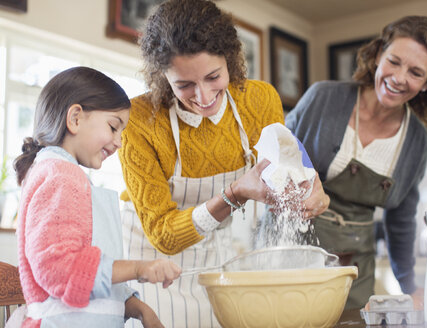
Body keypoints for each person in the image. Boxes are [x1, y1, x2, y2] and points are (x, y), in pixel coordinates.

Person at [117, 0, 330, 326]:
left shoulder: (260, 99)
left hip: (218, 256)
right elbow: (163, 235)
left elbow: (288, 165)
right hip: (152, 266)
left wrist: (310, 189)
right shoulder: (140, 122)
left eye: (213, 76)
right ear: (162, 77)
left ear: (230, 59)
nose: (202, 97)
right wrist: (234, 195)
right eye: (184, 84)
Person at [285, 16, 427, 310]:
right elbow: (277, 153)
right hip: (289, 256)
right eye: (394, 61)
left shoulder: (416, 141)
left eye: (416, 72)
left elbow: (401, 220)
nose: (399, 77)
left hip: (352, 271)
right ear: (379, 55)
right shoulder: (323, 98)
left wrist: (410, 286)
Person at [13, 66, 181, 328]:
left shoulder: (65, 175)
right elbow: (59, 269)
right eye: (114, 127)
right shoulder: (60, 176)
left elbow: (89, 274)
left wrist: (138, 308)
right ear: (76, 118)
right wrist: (139, 268)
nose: (119, 141)